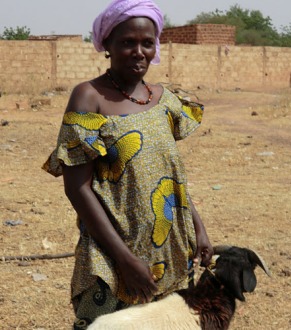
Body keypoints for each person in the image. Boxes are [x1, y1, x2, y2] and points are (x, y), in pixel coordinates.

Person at [42, 0, 213, 328]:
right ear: (107, 44)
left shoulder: (165, 99)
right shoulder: (89, 97)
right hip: (114, 255)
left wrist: (198, 228)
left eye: (147, 43)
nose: (139, 51)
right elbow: (77, 188)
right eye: (127, 42)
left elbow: (170, 177)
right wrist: (125, 260)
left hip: (172, 252)